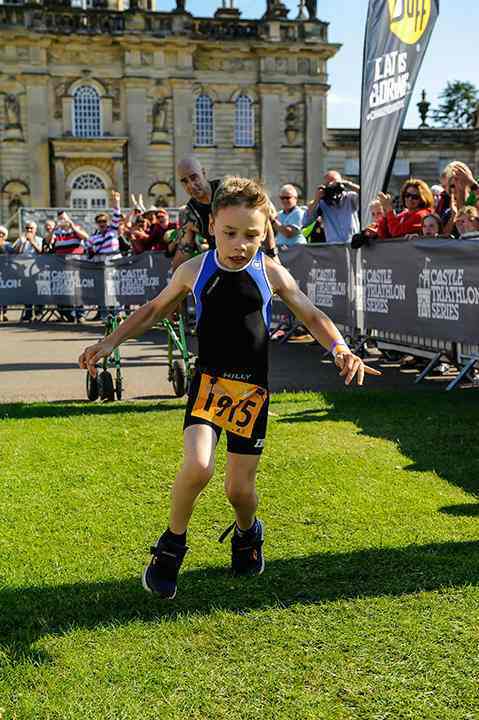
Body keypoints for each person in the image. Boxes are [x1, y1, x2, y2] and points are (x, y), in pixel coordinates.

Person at [79, 176, 381, 600]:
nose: (240, 244)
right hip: (208, 386)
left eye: (251, 235)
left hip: (251, 392)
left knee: (239, 490)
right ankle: (170, 549)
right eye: (230, 233)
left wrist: (340, 348)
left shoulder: (270, 271)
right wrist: (109, 341)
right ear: (212, 229)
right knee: (199, 466)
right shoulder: (195, 269)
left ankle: (247, 533)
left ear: (265, 233)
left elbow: (312, 315)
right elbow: (152, 310)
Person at [302, 170, 360, 244]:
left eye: (334, 182)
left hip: (352, 244)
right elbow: (305, 221)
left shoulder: (350, 197)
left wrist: (348, 184)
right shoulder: (322, 203)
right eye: (328, 184)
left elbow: (365, 195)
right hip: (333, 247)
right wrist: (316, 199)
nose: (332, 186)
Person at [0, 225, 14, 321]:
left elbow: (13, 255)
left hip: (5, 272)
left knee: (5, 292)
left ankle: (3, 312)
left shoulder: (9, 245)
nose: (0, 235)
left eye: (2, 234)